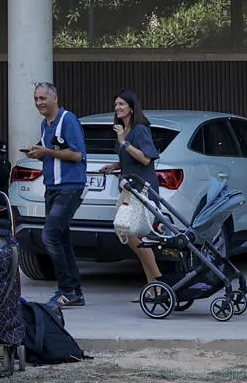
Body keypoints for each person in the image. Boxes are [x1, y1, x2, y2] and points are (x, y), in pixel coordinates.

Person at [23, 81, 87, 309]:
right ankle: (74, 292)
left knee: (49, 236)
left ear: (55, 99)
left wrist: (47, 151)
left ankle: (66, 290)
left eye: (43, 98)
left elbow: (78, 155)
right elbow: (53, 154)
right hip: (52, 188)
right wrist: (39, 154)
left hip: (69, 187)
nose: (39, 103)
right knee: (61, 238)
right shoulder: (44, 124)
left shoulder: (68, 120)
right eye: (36, 99)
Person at [96, 89, 164, 285]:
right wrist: (116, 166)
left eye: (122, 104)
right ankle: (152, 286)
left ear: (132, 108)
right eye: (116, 104)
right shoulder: (122, 130)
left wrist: (124, 142)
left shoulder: (140, 130)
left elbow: (145, 158)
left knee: (132, 233)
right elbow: (129, 158)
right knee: (132, 235)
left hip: (141, 189)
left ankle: (158, 281)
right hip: (128, 189)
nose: (117, 108)